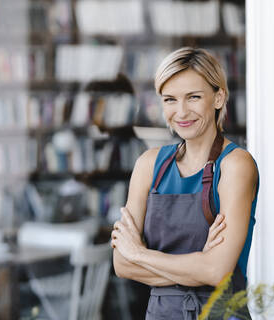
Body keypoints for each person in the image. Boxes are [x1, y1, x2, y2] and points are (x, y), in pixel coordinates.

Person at [111, 47, 259, 320]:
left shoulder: (235, 165)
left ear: (218, 97)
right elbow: (121, 264)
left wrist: (139, 254)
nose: (181, 112)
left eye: (193, 97)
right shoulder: (149, 165)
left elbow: (217, 271)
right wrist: (197, 265)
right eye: (170, 99)